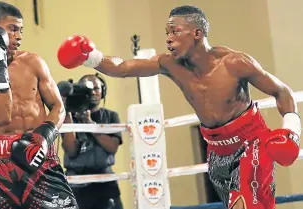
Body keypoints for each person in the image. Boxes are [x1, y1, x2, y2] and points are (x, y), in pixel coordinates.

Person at [56, 5, 301, 209]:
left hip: (250, 143)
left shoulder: (235, 63)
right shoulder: (170, 64)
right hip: (216, 150)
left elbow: (282, 91)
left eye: (175, 31)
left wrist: (292, 131)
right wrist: (91, 56)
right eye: (166, 32)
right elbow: (123, 68)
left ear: (197, 33)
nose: (168, 38)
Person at [0, 2, 78, 209]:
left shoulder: (33, 62)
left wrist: (42, 138)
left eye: (21, 30)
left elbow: (58, 107)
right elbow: (2, 115)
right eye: (13, 29)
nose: (19, 36)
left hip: (41, 155)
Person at [58, 74, 124, 209]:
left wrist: (90, 124)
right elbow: (71, 150)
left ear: (103, 91)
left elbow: (112, 147)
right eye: (88, 89)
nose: (93, 92)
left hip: (105, 180)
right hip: (76, 181)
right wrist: (68, 115)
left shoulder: (111, 116)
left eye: (96, 88)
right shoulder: (68, 117)